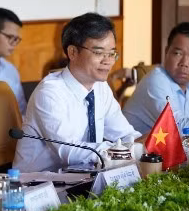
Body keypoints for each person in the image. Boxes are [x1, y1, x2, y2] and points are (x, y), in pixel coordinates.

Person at [13, 13, 140, 173]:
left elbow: (125, 134)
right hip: (39, 185)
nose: (108, 61)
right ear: (72, 52)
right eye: (99, 53)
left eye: (111, 53)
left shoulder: (101, 88)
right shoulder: (50, 93)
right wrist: (122, 151)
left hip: (83, 177)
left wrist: (145, 145)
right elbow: (69, 152)